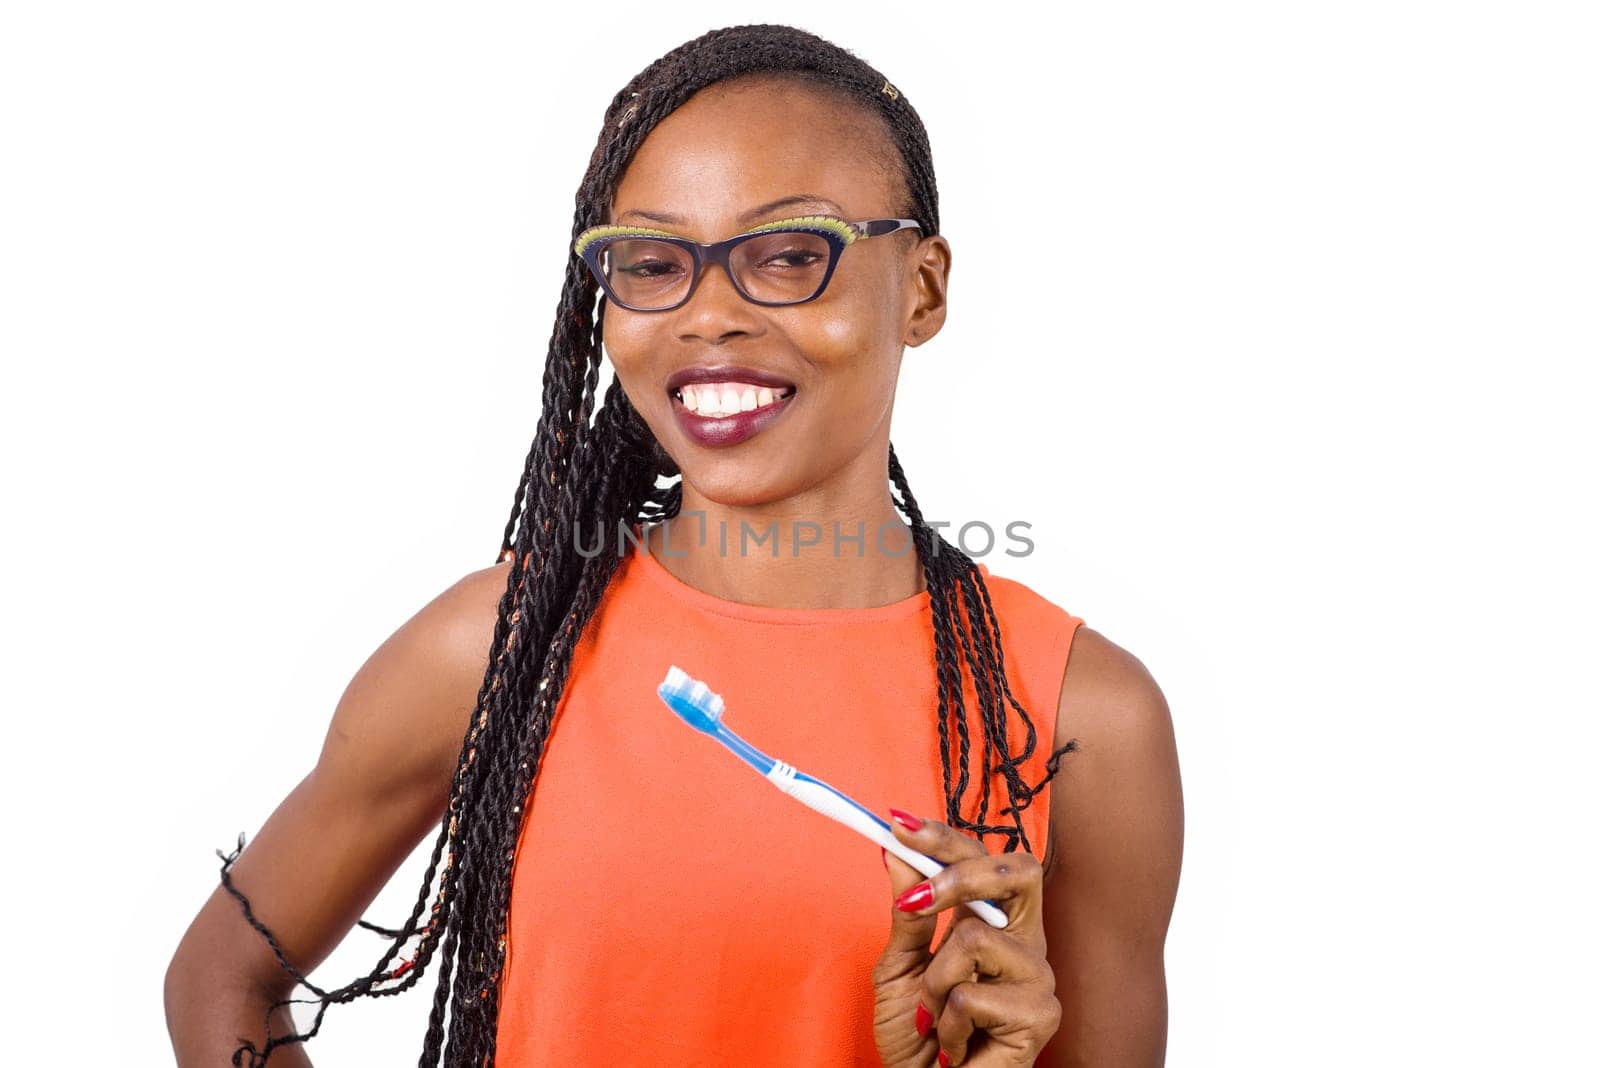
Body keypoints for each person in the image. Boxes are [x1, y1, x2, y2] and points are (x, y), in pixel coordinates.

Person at [163, 22, 1184, 1068]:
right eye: (652, 263)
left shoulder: (1077, 717)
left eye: (789, 255)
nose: (706, 316)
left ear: (922, 289)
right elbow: (222, 978)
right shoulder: (494, 646)